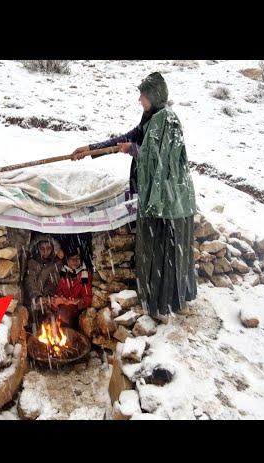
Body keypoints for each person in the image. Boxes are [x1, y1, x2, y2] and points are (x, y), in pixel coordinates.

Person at [71, 72, 197, 320]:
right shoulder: (151, 119)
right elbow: (128, 139)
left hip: (170, 204)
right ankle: (155, 300)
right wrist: (90, 149)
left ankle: (167, 303)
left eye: (143, 95)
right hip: (158, 201)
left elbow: (163, 160)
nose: (140, 99)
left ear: (155, 96)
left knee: (166, 253)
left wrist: (134, 150)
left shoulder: (167, 121)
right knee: (156, 251)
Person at [24, 233, 64, 325]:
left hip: (48, 301)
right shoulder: (32, 262)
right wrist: (37, 297)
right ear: (37, 249)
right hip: (33, 300)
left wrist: (48, 298)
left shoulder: (56, 263)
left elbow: (53, 282)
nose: (45, 252)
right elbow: (29, 281)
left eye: (48, 248)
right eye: (42, 249)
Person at [51, 246, 93, 329]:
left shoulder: (85, 275)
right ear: (67, 260)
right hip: (64, 308)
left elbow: (87, 298)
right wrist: (60, 300)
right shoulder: (64, 274)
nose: (75, 261)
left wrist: (77, 302)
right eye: (71, 259)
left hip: (77, 311)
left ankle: (66, 334)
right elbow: (59, 292)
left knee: (63, 316)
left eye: (77, 258)